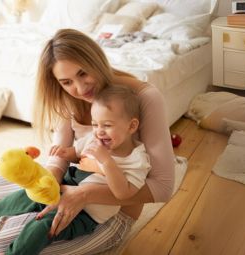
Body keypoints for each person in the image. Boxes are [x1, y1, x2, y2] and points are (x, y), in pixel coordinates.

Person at [0, 85, 152, 254]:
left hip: (84, 214)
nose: (99, 131)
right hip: (64, 185)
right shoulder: (95, 138)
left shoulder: (137, 159)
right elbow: (78, 153)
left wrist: (107, 162)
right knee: (27, 194)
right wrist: (65, 153)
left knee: (43, 226)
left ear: (131, 126)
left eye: (107, 125)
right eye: (95, 124)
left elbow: (124, 193)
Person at [34, 28, 175, 238]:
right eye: (67, 82)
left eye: (83, 73)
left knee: (5, 244)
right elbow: (60, 154)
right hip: (75, 182)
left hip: (111, 213)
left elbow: (163, 188)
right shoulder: (68, 94)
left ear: (96, 60)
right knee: (3, 179)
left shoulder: (144, 97)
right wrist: (51, 179)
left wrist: (84, 194)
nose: (80, 89)